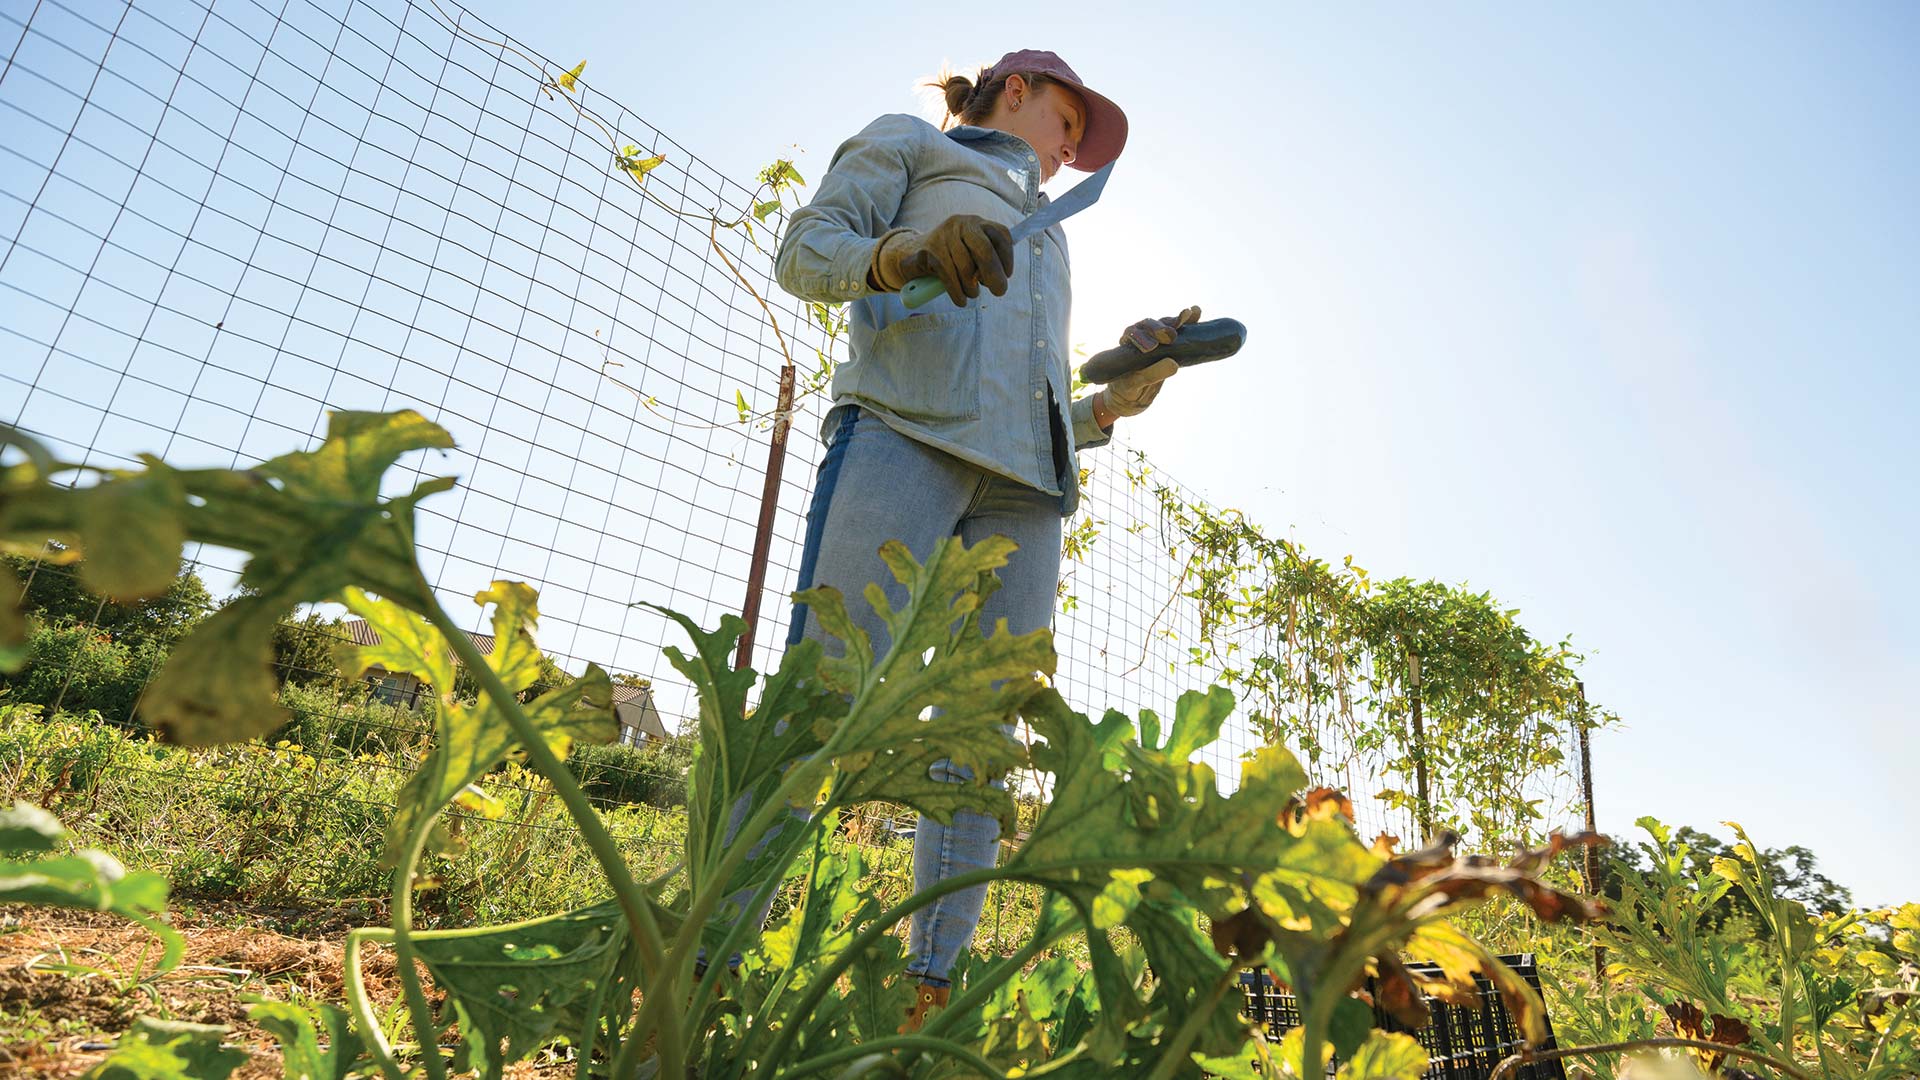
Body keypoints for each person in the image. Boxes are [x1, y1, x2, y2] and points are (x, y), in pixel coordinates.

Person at [771, 49, 1194, 1028]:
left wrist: (1112, 403)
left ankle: (930, 991)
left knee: (979, 742)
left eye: (1084, 137)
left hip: (1027, 495)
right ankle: (707, 955)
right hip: (904, 436)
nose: (1076, 143)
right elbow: (805, 252)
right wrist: (901, 257)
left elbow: (1026, 398)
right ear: (1019, 89)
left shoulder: (1053, 239)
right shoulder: (914, 146)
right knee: (822, 699)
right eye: (1072, 117)